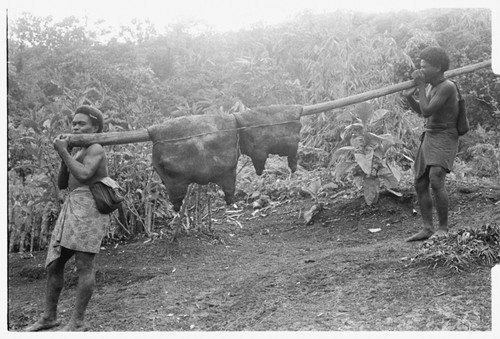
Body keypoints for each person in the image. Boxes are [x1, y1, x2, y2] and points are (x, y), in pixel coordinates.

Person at [26, 105, 110, 331]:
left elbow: (84, 175)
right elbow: (63, 184)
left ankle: (78, 321)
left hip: (89, 206)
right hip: (72, 206)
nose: (75, 126)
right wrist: (65, 155)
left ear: (95, 128)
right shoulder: (78, 151)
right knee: (55, 264)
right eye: (73, 123)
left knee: (84, 265)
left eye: (81, 123)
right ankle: (49, 317)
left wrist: (64, 152)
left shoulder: (95, 148)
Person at [402, 46, 460, 242]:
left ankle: (443, 228)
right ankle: (427, 228)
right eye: (420, 67)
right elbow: (422, 109)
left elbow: (427, 111)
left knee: (436, 178)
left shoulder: (447, 87)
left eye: (424, 67)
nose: (420, 71)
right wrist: (409, 96)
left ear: (437, 67)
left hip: (445, 135)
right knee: (420, 182)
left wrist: (418, 86)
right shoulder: (430, 86)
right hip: (430, 134)